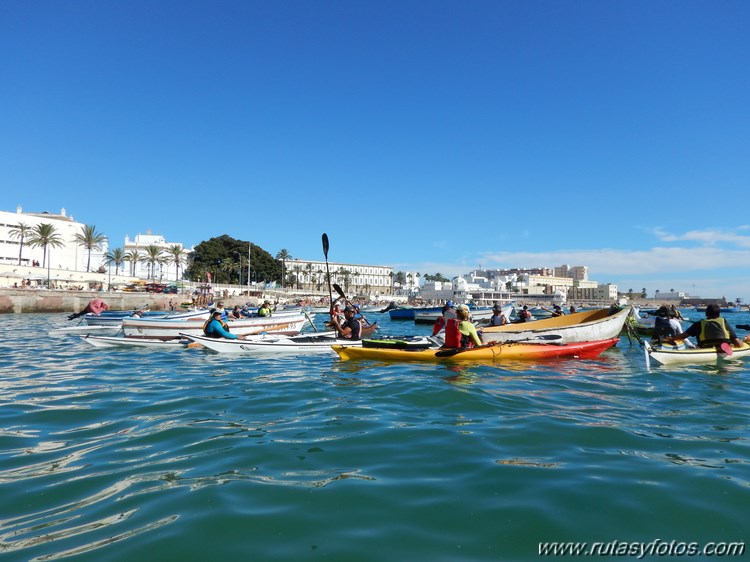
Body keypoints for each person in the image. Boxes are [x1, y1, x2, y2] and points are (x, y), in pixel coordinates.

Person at [671, 303, 742, 348]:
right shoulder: (724, 323)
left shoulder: (698, 324)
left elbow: (683, 336)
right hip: (722, 345)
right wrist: (743, 343)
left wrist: (670, 339)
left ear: (706, 314)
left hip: (704, 346)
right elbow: (737, 343)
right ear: (719, 314)